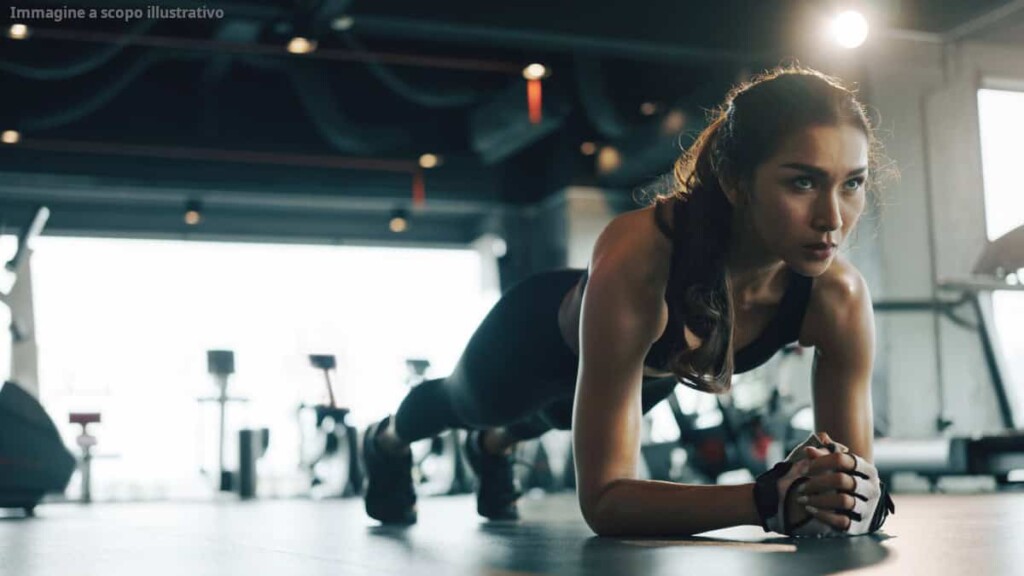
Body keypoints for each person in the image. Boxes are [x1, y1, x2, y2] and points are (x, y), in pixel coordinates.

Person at [361, 66, 895, 537]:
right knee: (464, 406)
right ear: (736, 181)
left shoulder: (837, 297)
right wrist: (766, 499)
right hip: (534, 341)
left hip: (646, 377)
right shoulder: (640, 259)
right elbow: (605, 501)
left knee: (552, 420)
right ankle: (385, 440)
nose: (833, 218)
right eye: (803, 182)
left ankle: (494, 448)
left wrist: (846, 494)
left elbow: (854, 483)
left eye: (852, 184)